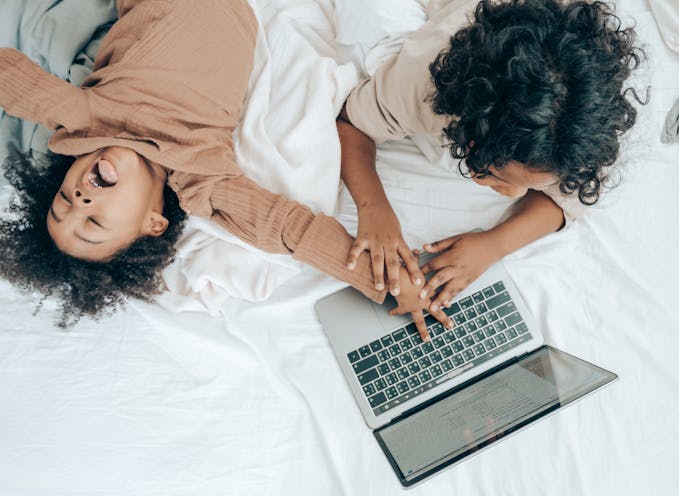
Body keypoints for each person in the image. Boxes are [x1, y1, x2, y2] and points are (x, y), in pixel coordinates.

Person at [0, 0, 448, 329]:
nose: (79, 199)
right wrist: (387, 284)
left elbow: (15, 82)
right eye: (93, 221)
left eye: (63, 202)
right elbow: (289, 230)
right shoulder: (201, 179)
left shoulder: (84, 118)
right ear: (152, 223)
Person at [338, 0, 643, 333]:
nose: (514, 194)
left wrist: (495, 244)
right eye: (497, 177)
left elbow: (569, 200)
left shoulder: (583, 128)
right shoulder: (423, 82)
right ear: (468, 135)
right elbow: (352, 123)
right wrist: (375, 209)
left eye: (534, 185)